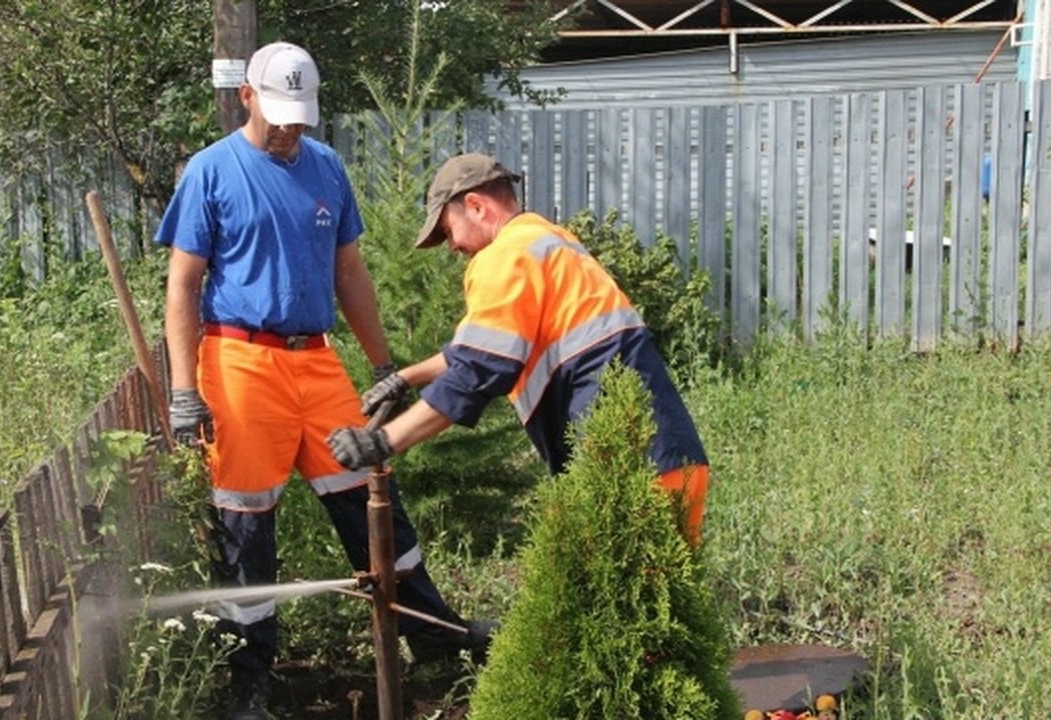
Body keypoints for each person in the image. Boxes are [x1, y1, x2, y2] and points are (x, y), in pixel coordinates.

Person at [155, 43, 491, 720]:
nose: (289, 131)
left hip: (316, 360)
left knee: (371, 493)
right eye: (278, 115)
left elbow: (350, 274)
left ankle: (435, 637)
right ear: (247, 96)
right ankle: (249, 680)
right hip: (239, 360)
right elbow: (183, 287)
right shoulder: (211, 173)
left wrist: (381, 365)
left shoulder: (327, 169)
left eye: (300, 119)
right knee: (246, 525)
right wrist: (184, 388)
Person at [327, 153, 710, 546]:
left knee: (613, 596)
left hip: (624, 468)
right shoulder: (547, 241)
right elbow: (478, 348)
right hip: (670, 459)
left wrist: (383, 441)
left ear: (475, 206)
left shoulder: (503, 256)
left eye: (448, 230)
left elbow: (476, 370)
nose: (453, 247)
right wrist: (405, 378)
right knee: (662, 596)